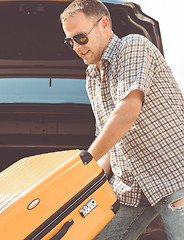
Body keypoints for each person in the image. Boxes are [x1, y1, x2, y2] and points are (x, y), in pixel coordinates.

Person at [60, 0, 184, 239]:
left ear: (104, 24)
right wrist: (81, 183)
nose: (76, 46)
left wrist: (84, 161)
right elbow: (108, 141)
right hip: (131, 188)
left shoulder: (132, 46)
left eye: (80, 37)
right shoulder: (92, 78)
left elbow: (127, 112)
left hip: (174, 178)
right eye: (70, 41)